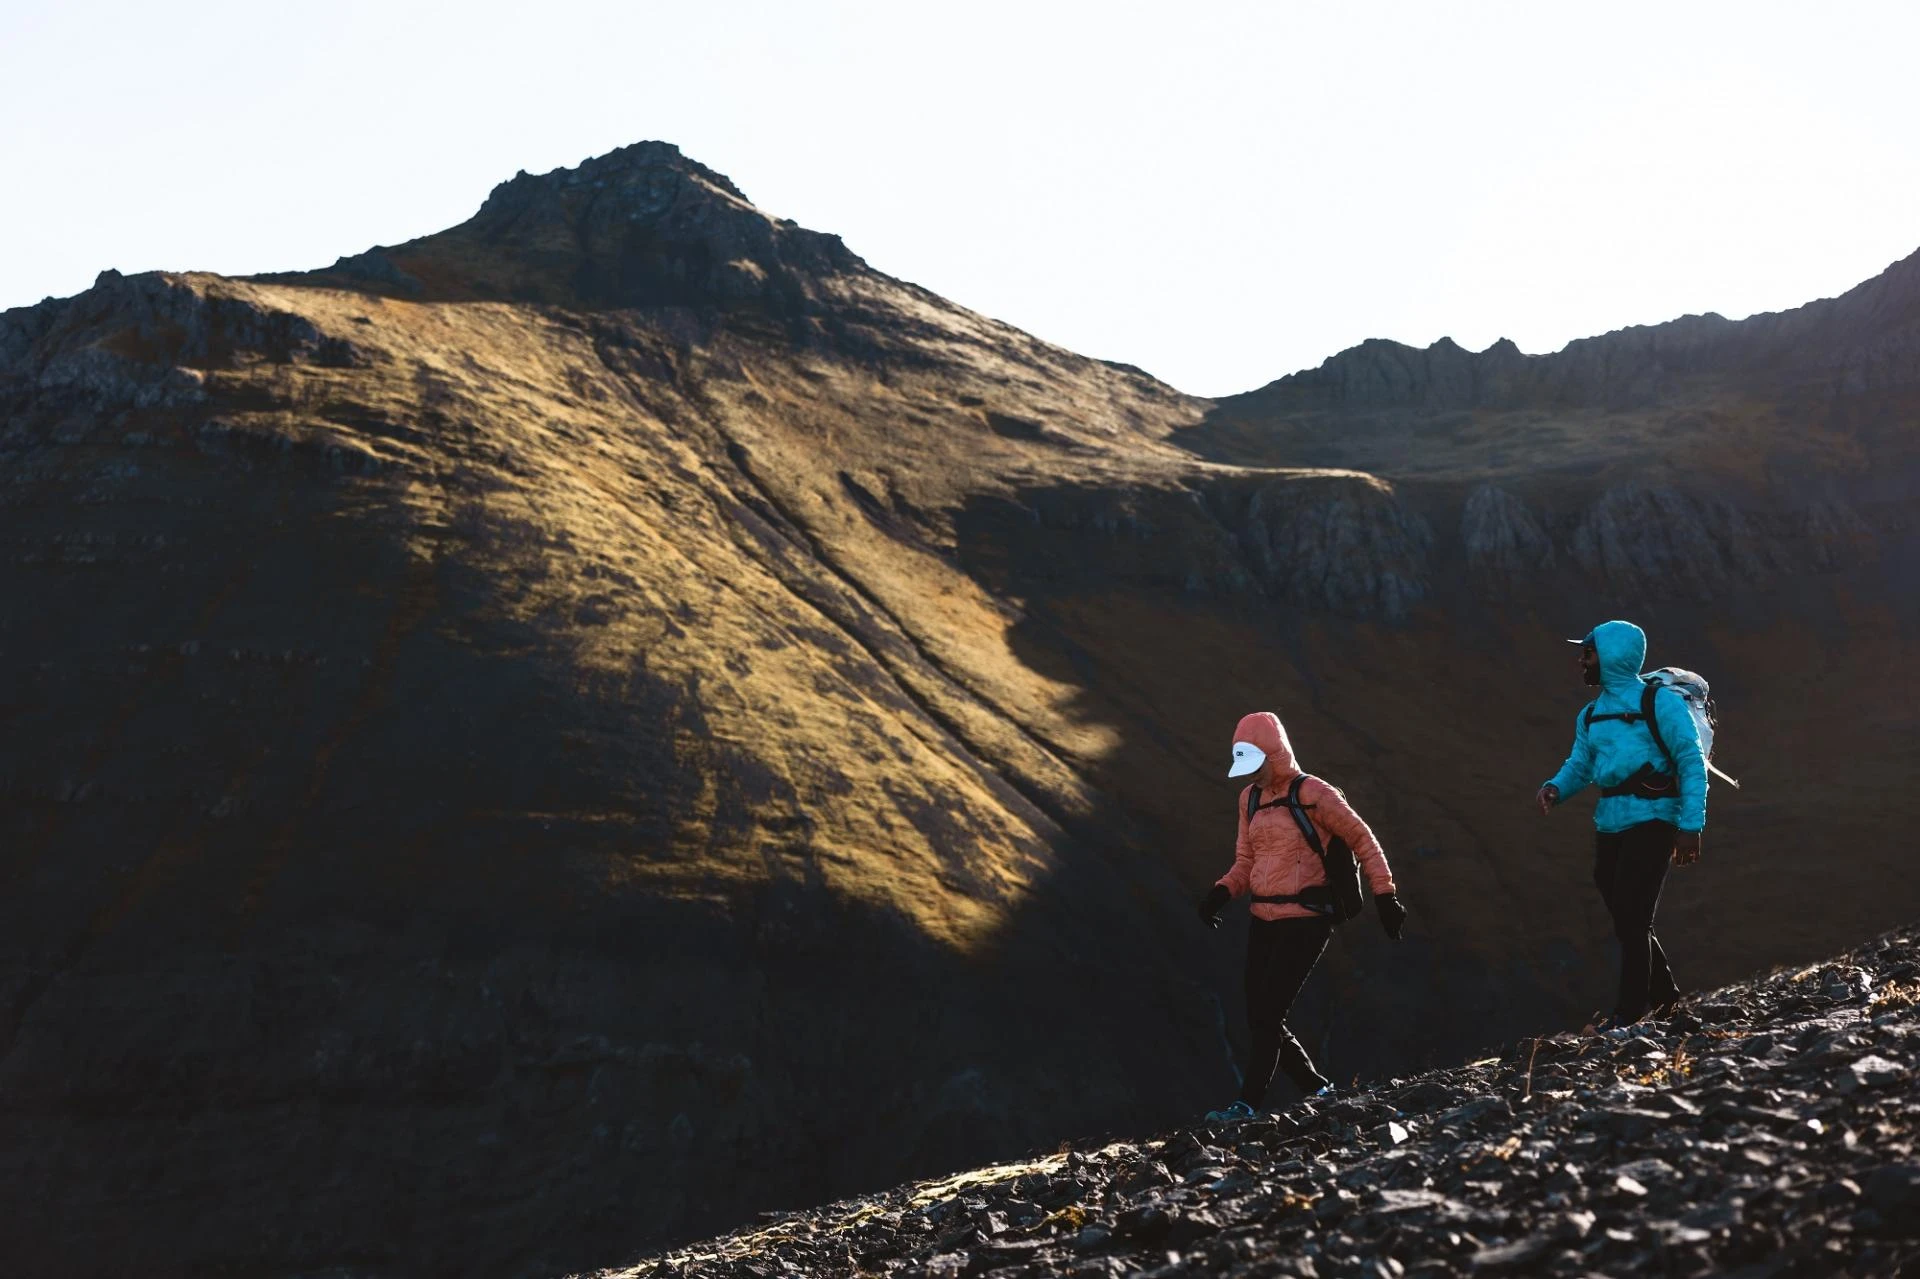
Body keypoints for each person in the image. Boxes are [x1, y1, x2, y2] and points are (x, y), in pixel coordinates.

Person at [1198, 711, 1406, 1121]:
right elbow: (1246, 860)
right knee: (1259, 1015)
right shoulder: (1249, 799)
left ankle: (1246, 1106)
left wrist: (1385, 895)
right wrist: (1220, 893)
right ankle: (1318, 1090)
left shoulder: (1315, 793)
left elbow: (1363, 839)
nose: (1251, 776)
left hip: (1308, 918)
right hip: (1263, 918)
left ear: (1273, 753)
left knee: (1268, 1014)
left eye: (1256, 766)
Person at [1535, 620, 1707, 1035]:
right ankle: (1666, 1002)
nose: (1581, 661)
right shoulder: (1591, 714)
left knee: (1632, 915)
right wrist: (1557, 787)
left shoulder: (1659, 703)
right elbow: (1581, 763)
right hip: (1611, 822)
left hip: (1656, 819)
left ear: (1612, 656)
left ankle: (1628, 1014)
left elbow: (1691, 761)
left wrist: (1691, 826)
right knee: (1630, 918)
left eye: (1588, 653)